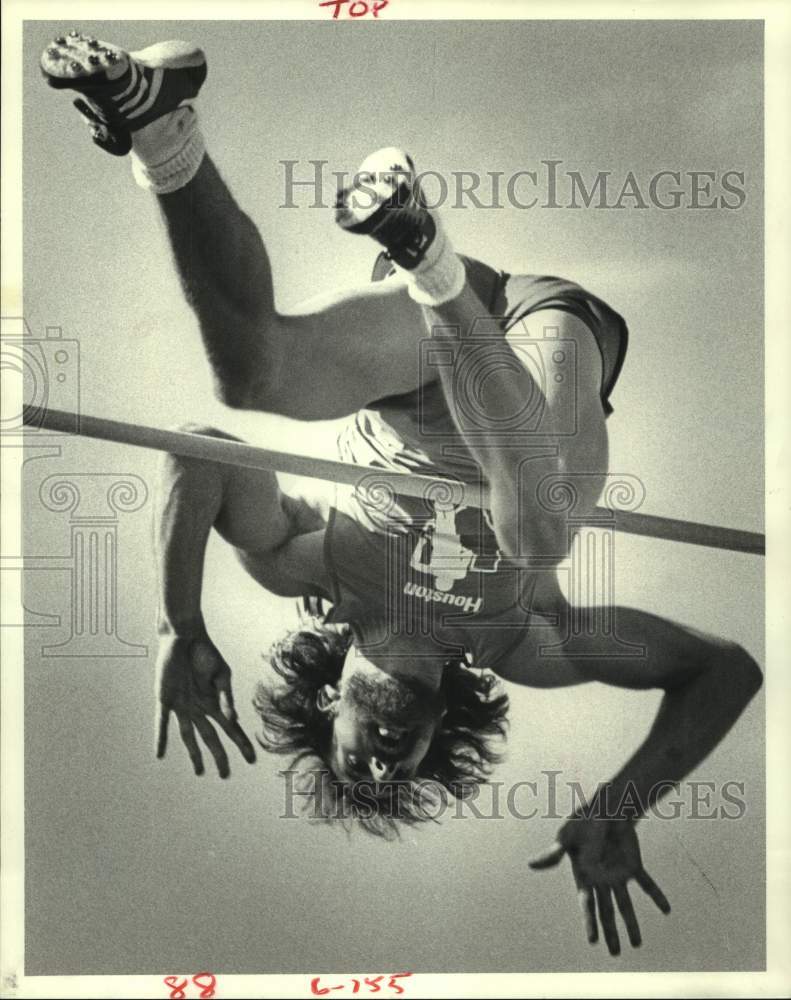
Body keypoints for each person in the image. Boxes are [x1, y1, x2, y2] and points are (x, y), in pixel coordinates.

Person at [40, 32, 763, 957]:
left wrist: (180, 621)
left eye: (356, 759)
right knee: (539, 532)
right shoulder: (520, 643)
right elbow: (724, 672)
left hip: (424, 367)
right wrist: (621, 805)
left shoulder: (307, 562)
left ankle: (157, 123)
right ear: (437, 742)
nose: (382, 757)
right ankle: (425, 258)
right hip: (537, 336)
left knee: (250, 381)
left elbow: (198, 454)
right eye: (400, 768)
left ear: (327, 704)